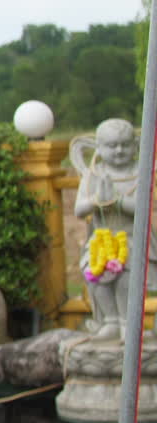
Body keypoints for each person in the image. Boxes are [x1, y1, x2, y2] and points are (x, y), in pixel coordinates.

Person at [73, 118, 156, 342]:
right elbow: (79, 210)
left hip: (133, 238)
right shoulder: (93, 174)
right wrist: (95, 200)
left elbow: (145, 209)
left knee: (127, 277)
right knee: (95, 273)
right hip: (101, 239)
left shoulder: (143, 172)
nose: (119, 150)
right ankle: (109, 320)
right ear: (98, 148)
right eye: (111, 145)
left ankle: (128, 324)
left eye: (125, 144)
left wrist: (117, 201)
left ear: (136, 145)